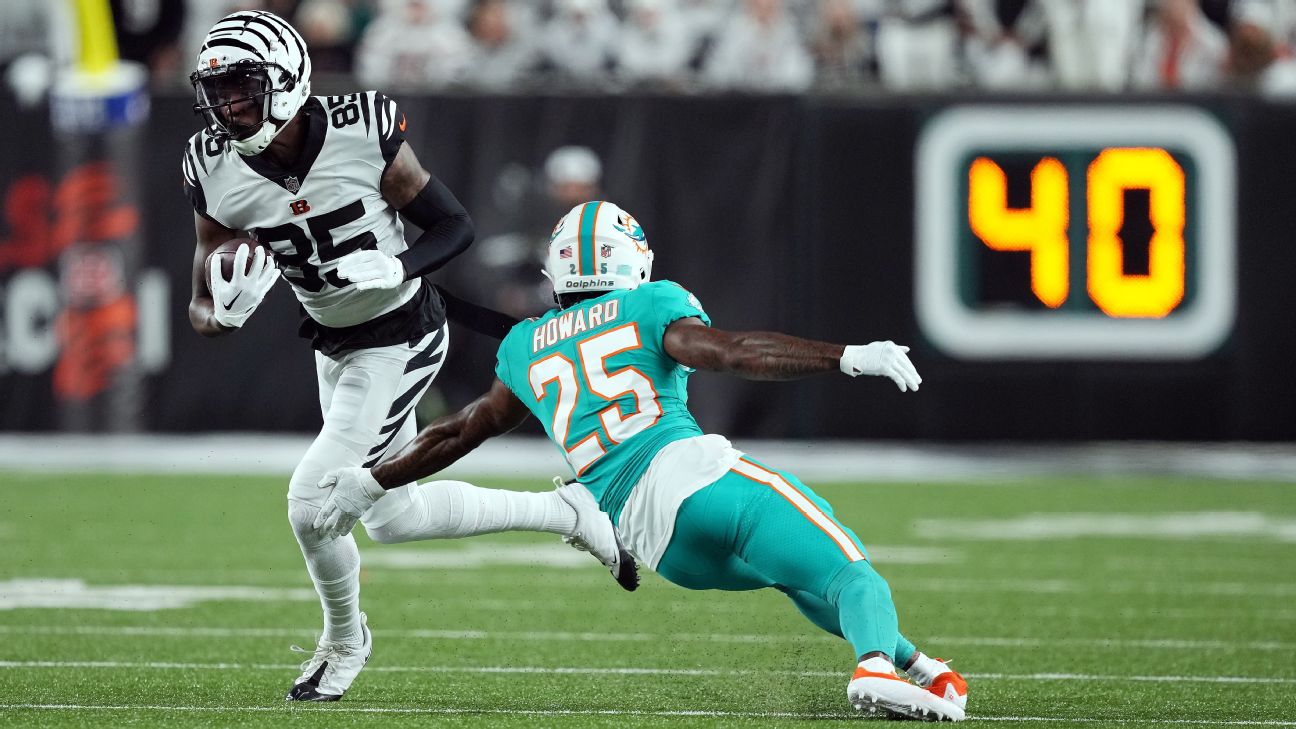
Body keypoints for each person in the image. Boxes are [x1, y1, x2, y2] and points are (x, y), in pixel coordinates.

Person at [315, 201, 970, 721]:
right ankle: (876, 666)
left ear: (558, 271)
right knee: (852, 568)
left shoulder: (523, 344)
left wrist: (374, 478)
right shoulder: (650, 303)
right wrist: (848, 355)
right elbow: (735, 351)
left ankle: (918, 667)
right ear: (634, 263)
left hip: (653, 540)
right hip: (695, 478)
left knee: (800, 574)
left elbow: (461, 430)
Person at [180, 11, 634, 703]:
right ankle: (571, 513)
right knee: (397, 518)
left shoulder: (360, 130)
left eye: (244, 87)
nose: (230, 106)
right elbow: (201, 303)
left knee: (312, 502)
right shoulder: (212, 165)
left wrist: (397, 266)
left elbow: (455, 226)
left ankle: (344, 639)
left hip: (403, 333)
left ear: (288, 79)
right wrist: (223, 313)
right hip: (334, 342)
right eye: (220, 92)